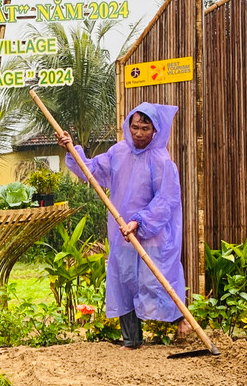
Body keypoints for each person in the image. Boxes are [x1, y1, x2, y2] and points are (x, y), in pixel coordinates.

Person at [60, 103, 190, 349]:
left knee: (157, 279)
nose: (139, 133)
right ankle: (131, 340)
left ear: (155, 130)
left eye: (145, 128)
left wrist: (139, 221)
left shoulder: (162, 160)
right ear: (128, 126)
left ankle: (181, 322)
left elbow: (166, 200)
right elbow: (91, 170)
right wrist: (71, 149)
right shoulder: (118, 153)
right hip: (122, 232)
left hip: (152, 234)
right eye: (135, 127)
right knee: (125, 281)